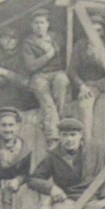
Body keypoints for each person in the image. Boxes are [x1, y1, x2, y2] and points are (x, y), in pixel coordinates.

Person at [28, 118, 105, 209]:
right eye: (64, 135)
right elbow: (33, 179)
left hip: (93, 199)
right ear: (59, 136)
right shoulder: (53, 156)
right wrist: (52, 189)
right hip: (67, 200)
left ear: (80, 135)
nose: (69, 139)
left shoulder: (96, 150)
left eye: (73, 135)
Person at [22, 9, 71, 148]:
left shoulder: (56, 37)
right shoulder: (28, 42)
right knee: (47, 102)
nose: (39, 26)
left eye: (42, 22)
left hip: (57, 72)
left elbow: (63, 52)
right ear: (32, 26)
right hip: (39, 75)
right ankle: (53, 137)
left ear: (48, 24)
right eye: (36, 23)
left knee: (61, 85)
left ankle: (56, 125)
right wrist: (49, 55)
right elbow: (31, 66)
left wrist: (52, 52)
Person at [0, 27, 32, 120]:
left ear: (17, 40)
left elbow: (25, 81)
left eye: (13, 38)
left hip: (16, 104)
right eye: (5, 38)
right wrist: (4, 80)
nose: (9, 41)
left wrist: (5, 73)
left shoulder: (22, 56)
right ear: (0, 40)